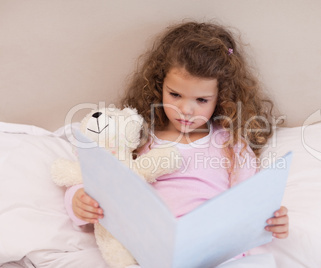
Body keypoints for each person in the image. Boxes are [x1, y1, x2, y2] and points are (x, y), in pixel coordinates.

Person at [65, 21, 289, 265]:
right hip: (155, 250)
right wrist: (78, 200)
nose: (186, 110)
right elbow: (97, 177)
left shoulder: (231, 143)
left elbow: (252, 202)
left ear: (221, 98)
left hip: (219, 252)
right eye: (175, 95)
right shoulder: (140, 137)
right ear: (159, 86)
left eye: (201, 100)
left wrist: (273, 220)